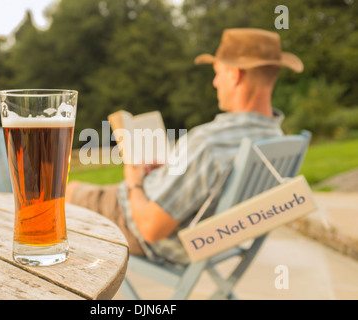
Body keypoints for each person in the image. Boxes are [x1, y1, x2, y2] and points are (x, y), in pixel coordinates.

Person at [66, 28, 304, 266]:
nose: (215, 82)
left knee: (65, 192)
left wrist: (133, 180)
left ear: (235, 75)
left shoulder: (210, 144)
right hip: (211, 243)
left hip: (145, 230)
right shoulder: (276, 137)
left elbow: (150, 229)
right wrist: (170, 167)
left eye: (218, 73)